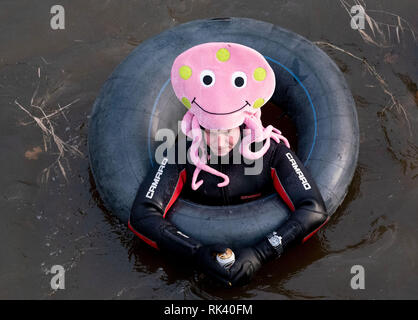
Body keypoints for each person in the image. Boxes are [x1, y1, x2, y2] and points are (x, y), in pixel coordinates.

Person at [128, 42, 329, 286]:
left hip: (259, 260)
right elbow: (142, 214)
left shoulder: (270, 152)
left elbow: (313, 208)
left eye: (228, 131)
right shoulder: (182, 154)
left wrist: (261, 253)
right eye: (210, 131)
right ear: (197, 126)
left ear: (244, 124)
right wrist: (195, 252)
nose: (219, 141)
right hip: (200, 262)